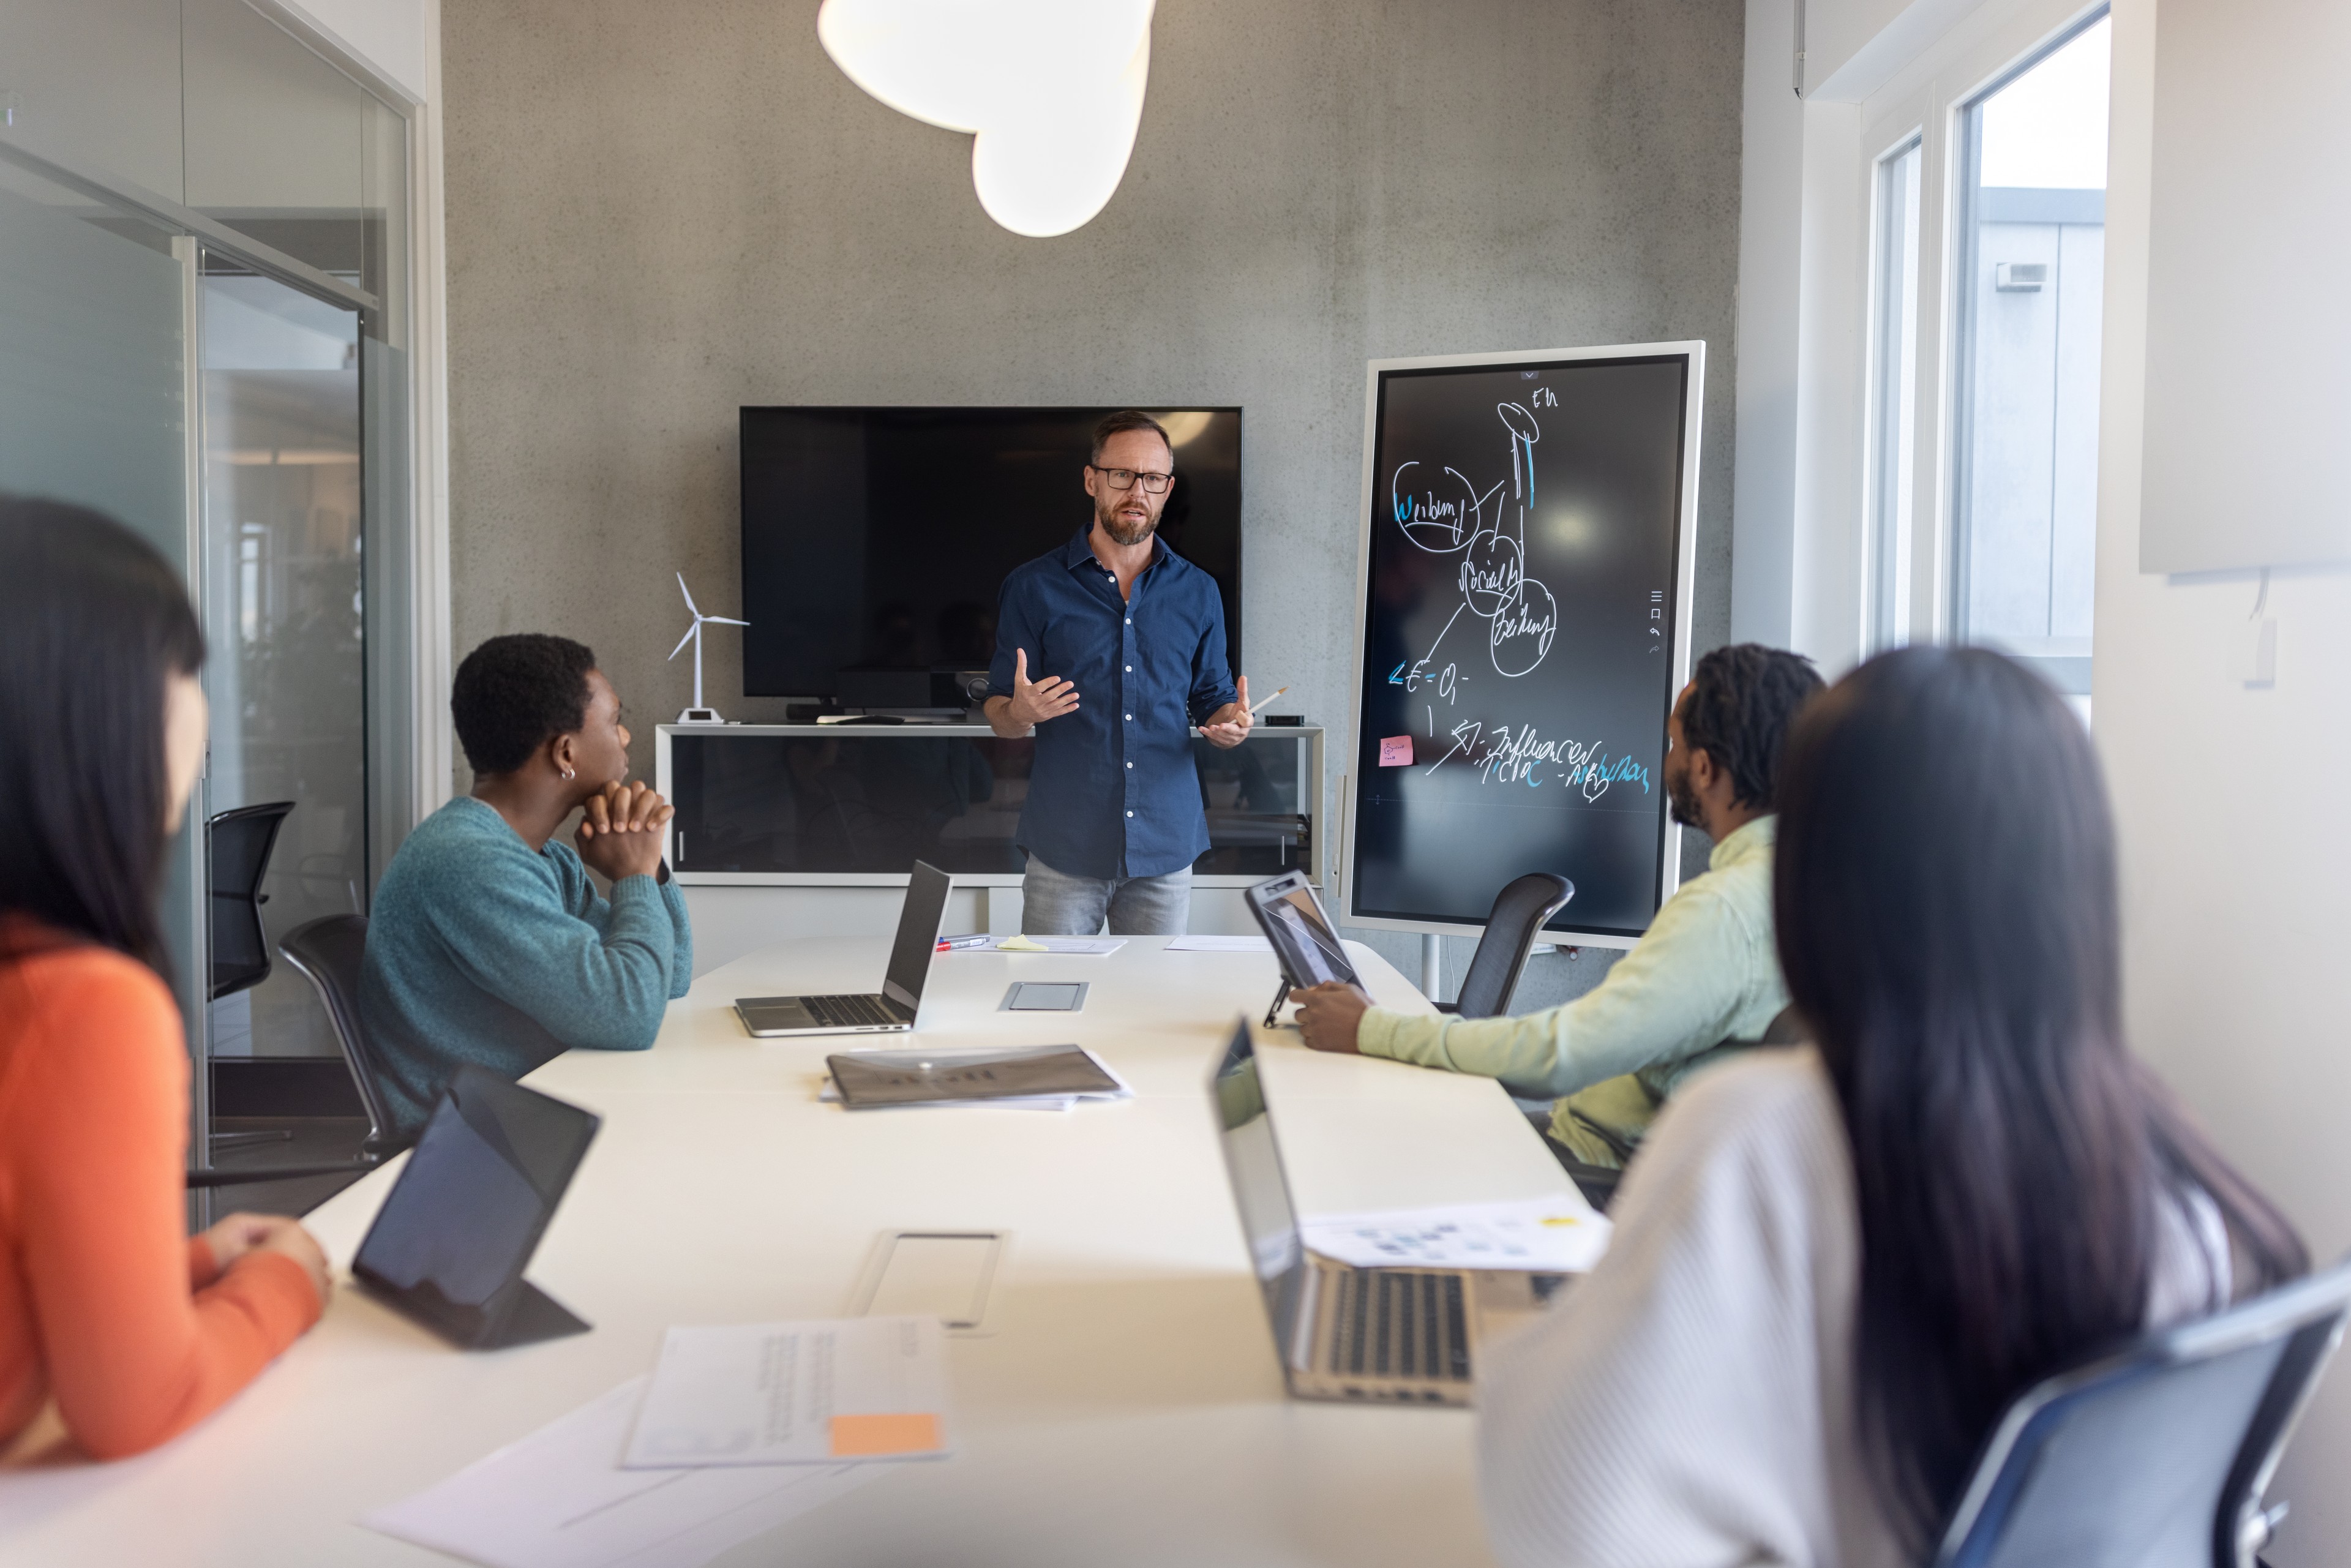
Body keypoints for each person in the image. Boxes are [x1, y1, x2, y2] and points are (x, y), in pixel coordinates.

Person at [1475, 647, 2305, 1566]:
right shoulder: (2171, 1165)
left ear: (1824, 871)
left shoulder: (1762, 1134)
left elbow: (1560, 1512)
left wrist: (1524, 1344)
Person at [0, 497, 330, 1461]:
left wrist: (186, 1264)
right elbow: (138, 1404)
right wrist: (290, 1284)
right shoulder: (76, 1007)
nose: (206, 709)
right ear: (93, 706)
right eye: (187, 670)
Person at [1295, 644, 1824, 1174]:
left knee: (1353, 1142)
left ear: (1705, 768)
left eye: (1673, 744)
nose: (1664, 760)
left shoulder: (1723, 911)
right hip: (1646, 1163)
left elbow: (1562, 1055)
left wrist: (1372, 1029)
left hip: (1587, 1166)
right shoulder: (1814, 890)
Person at [361, 634, 692, 1136]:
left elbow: (670, 976)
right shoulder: (471, 864)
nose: (625, 739)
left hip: (530, 1113)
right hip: (479, 1149)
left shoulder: (542, 858)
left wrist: (649, 868)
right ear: (565, 751)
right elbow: (630, 1015)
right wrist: (634, 875)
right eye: (615, 722)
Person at [984, 410, 1254, 935]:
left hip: (1166, 844)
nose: (1138, 492)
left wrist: (1231, 723)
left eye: (1153, 479)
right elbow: (1000, 712)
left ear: (1168, 488)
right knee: (1052, 1003)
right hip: (1066, 844)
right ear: (1092, 480)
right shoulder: (1032, 587)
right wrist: (1019, 712)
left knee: (1154, 1010)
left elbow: (1212, 698)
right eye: (1122, 475)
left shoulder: (1199, 591)